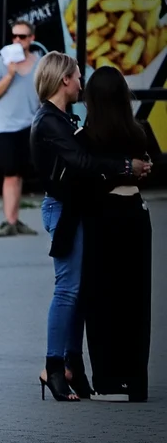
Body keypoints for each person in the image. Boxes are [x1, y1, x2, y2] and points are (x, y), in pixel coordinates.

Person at [29, 53, 148, 401]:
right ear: (64, 79)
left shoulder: (64, 117)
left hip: (73, 208)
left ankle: (72, 365)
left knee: (78, 290)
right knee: (67, 289)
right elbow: (81, 162)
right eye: (78, 76)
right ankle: (53, 367)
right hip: (61, 209)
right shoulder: (49, 120)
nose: (82, 83)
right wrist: (127, 165)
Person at [77, 67, 154, 402]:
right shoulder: (139, 132)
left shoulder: (86, 137)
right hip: (136, 216)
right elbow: (152, 169)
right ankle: (135, 381)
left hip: (102, 218)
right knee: (136, 301)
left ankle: (108, 381)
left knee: (101, 298)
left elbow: (85, 178)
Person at [0, 20, 40, 237]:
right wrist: (9, 74)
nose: (17, 40)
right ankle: (8, 220)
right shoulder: (1, 62)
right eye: (14, 37)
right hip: (7, 126)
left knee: (20, 175)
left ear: (31, 39)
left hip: (31, 125)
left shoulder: (40, 63)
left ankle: (14, 218)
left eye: (22, 37)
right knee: (10, 174)